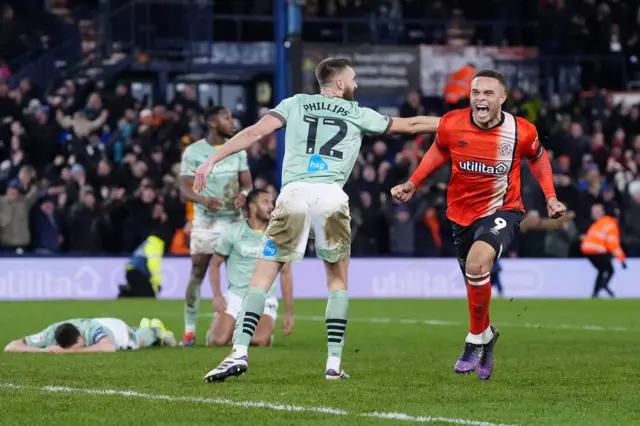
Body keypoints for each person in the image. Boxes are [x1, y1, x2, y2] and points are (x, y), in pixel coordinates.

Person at [194, 57, 440, 382]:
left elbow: (254, 132)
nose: (356, 84)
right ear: (339, 84)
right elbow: (410, 125)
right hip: (331, 196)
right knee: (337, 282)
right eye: (353, 79)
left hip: (294, 194)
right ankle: (333, 365)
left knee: (260, 279)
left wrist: (212, 158)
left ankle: (238, 353)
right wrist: (459, 121)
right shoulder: (357, 113)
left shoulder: (295, 104)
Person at [391, 69, 566, 381]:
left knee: (477, 263)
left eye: (487, 93)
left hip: (504, 208)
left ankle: (473, 341)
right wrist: (413, 182)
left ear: (502, 98)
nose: (480, 99)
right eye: (475, 93)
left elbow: (538, 158)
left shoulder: (520, 131)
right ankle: (487, 337)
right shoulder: (452, 123)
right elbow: (440, 149)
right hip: (461, 214)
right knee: (475, 279)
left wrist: (551, 197)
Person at [178, 106, 253, 347]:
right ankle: (189, 331)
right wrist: (202, 200)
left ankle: (236, 327)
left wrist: (244, 195)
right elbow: (184, 188)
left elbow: (247, 184)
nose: (232, 122)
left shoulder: (238, 149)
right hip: (206, 222)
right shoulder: (194, 152)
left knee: (239, 277)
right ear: (212, 123)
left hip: (234, 221)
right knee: (198, 272)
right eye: (226, 117)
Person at [206, 188, 294, 347]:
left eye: (272, 202)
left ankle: (262, 333)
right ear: (252, 207)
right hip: (235, 296)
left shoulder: (278, 235)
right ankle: (228, 326)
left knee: (258, 341)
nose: (271, 207)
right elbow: (214, 264)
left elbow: (286, 273)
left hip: (264, 299)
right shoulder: (234, 231)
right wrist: (217, 295)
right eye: (265, 202)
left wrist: (289, 312)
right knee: (216, 341)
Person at [4, 317, 176, 353]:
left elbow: (109, 347)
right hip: (100, 321)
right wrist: (43, 351)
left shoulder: (90, 330)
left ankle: (155, 329)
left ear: (81, 336)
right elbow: (11, 346)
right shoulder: (50, 334)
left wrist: (71, 352)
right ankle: (142, 325)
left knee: (134, 343)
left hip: (115, 328)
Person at [580, 203, 627, 298]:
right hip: (597, 250)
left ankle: (596, 292)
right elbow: (613, 245)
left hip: (587, 249)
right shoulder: (611, 225)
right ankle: (603, 286)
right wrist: (621, 259)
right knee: (610, 270)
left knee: (602, 270)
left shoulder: (599, 223)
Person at [119, 223, 174, 298]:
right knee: (149, 296)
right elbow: (154, 264)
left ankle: (126, 293)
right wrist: (157, 283)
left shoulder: (149, 241)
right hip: (138, 273)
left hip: (132, 271)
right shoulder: (156, 243)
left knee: (141, 294)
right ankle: (125, 294)